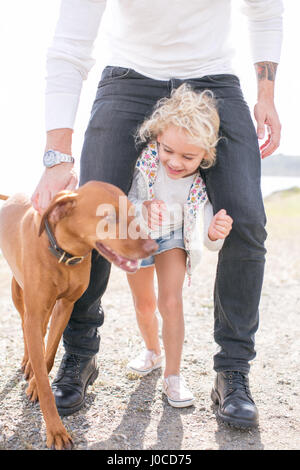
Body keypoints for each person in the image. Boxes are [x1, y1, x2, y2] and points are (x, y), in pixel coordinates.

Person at [32, 0, 283, 427]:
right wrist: (57, 156)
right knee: (94, 215)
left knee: (247, 216)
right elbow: (69, 47)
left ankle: (233, 372)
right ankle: (79, 354)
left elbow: (265, 10)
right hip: (128, 76)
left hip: (213, 78)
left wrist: (266, 96)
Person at [125, 84, 233, 408]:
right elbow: (126, 200)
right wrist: (141, 208)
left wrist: (215, 232)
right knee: (144, 304)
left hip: (174, 238)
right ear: (158, 138)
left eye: (188, 156)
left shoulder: (199, 185)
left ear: (206, 155)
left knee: (170, 303)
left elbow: (208, 239)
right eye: (168, 150)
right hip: (140, 236)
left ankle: (173, 376)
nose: (174, 161)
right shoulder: (145, 165)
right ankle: (152, 351)